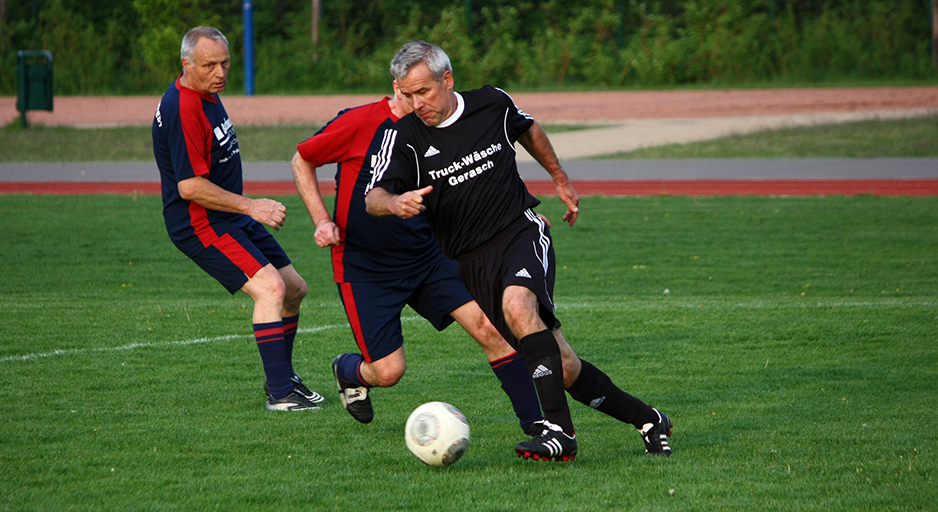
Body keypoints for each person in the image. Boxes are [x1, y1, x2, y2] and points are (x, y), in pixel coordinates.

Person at [366, 41, 673, 460]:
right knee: (563, 367)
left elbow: (527, 128)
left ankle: (560, 434)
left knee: (517, 304)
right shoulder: (400, 137)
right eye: (406, 94)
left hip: (520, 231)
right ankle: (650, 419)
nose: (417, 103)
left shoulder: (492, 103)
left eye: (424, 91)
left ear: (447, 79)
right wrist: (394, 203)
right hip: (472, 261)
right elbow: (373, 196)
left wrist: (560, 179)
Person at [291, 83, 549, 447]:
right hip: (367, 269)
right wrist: (321, 219)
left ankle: (538, 426)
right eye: (413, 91)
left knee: (490, 327)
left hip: (428, 256)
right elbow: (302, 159)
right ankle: (349, 371)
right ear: (398, 87)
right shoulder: (359, 122)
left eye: (426, 89)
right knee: (388, 371)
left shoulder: (437, 127)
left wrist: (516, 219)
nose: (421, 101)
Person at [152, 26, 323, 411]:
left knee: (294, 288)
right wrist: (252, 206)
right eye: (210, 65)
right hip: (201, 223)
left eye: (225, 62)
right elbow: (189, 187)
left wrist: (244, 210)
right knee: (270, 290)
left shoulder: (207, 93)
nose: (220, 72)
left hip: (228, 215)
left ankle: (283, 376)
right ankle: (280, 394)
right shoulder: (185, 108)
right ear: (187, 65)